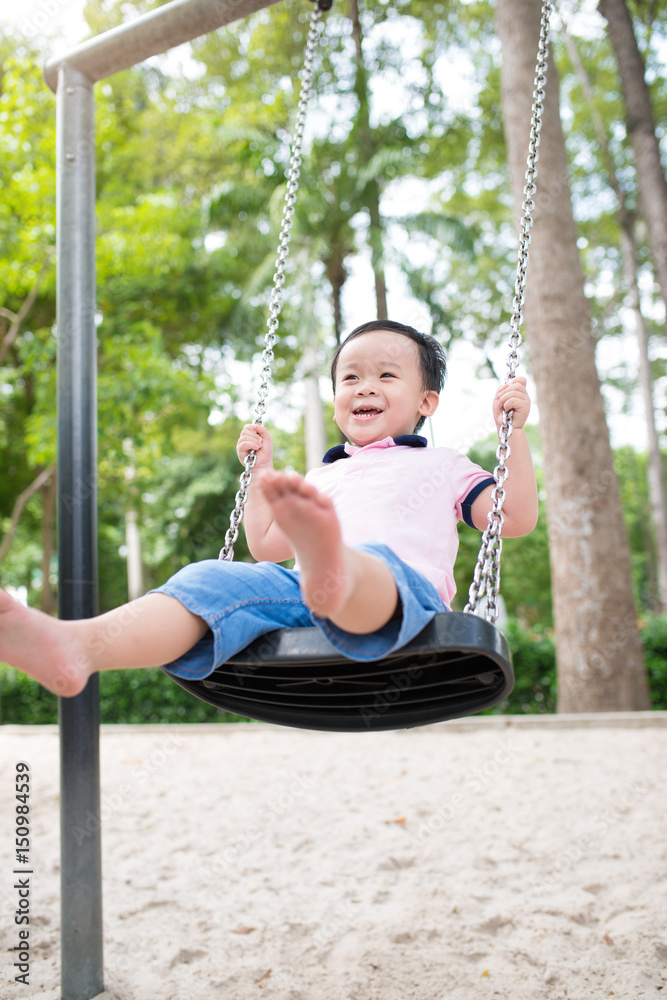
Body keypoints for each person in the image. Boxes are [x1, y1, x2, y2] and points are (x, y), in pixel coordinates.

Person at [0, 320, 538, 698]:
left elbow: (513, 518)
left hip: (405, 607)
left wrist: (512, 433)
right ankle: (77, 647)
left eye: (386, 375)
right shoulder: (321, 477)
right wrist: (262, 471)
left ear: (426, 402)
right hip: (302, 597)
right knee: (210, 579)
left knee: (370, 562)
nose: (364, 387)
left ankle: (332, 561)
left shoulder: (443, 464)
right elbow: (266, 545)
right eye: (350, 377)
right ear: (335, 396)